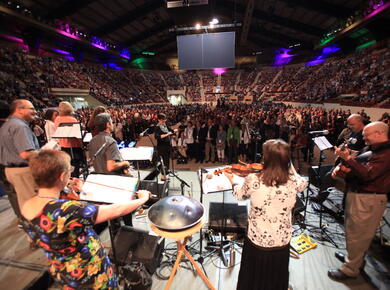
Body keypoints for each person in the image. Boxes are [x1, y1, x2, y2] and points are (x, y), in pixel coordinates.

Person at [20, 150, 150, 289]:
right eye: (69, 170)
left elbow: (61, 223)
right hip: (89, 274)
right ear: (62, 176)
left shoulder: (26, 206)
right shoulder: (67, 209)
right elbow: (115, 210)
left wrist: (77, 192)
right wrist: (143, 198)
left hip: (63, 271)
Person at [225, 139, 307, 290]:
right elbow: (301, 181)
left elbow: (239, 195)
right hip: (282, 238)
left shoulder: (254, 180)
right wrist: (287, 165)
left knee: (254, 275)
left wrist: (232, 181)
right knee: (277, 271)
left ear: (266, 158)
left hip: (258, 238)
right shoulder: (295, 181)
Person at [328, 121, 390, 280]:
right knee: (353, 230)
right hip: (360, 195)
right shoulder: (375, 149)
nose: (364, 137)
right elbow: (361, 157)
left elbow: (368, 173)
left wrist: (348, 158)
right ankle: (354, 259)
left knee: (358, 234)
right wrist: (348, 156)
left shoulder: (386, 153)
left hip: (369, 199)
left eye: (366, 135)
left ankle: (350, 269)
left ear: (379, 133)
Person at [310, 114, 366, 203]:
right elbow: (349, 144)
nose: (349, 126)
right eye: (349, 124)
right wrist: (342, 148)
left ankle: (322, 198)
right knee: (328, 176)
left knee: (330, 177)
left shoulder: (364, 134)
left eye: (352, 124)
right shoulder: (355, 132)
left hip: (353, 165)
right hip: (344, 161)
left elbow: (363, 152)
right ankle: (322, 197)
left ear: (360, 122)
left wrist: (348, 153)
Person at [0, 99, 40, 218]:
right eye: (31, 108)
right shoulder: (20, 126)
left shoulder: (8, 124)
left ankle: (26, 224)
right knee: (31, 204)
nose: (35, 111)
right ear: (19, 110)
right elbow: (25, 154)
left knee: (21, 202)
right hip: (22, 170)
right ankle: (35, 231)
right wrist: (47, 153)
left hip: (10, 169)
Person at [54, 102, 83, 178]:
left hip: (63, 147)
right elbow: (78, 136)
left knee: (66, 167)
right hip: (74, 147)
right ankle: (75, 183)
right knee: (75, 167)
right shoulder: (72, 119)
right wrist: (82, 145)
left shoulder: (57, 119)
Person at [154, 113, 177, 181]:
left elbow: (170, 130)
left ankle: (165, 175)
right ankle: (163, 177)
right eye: (163, 120)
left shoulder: (164, 125)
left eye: (165, 119)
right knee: (163, 162)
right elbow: (157, 137)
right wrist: (167, 134)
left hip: (167, 145)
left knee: (167, 161)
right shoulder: (157, 127)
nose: (164, 121)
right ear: (159, 120)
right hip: (162, 147)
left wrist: (173, 132)